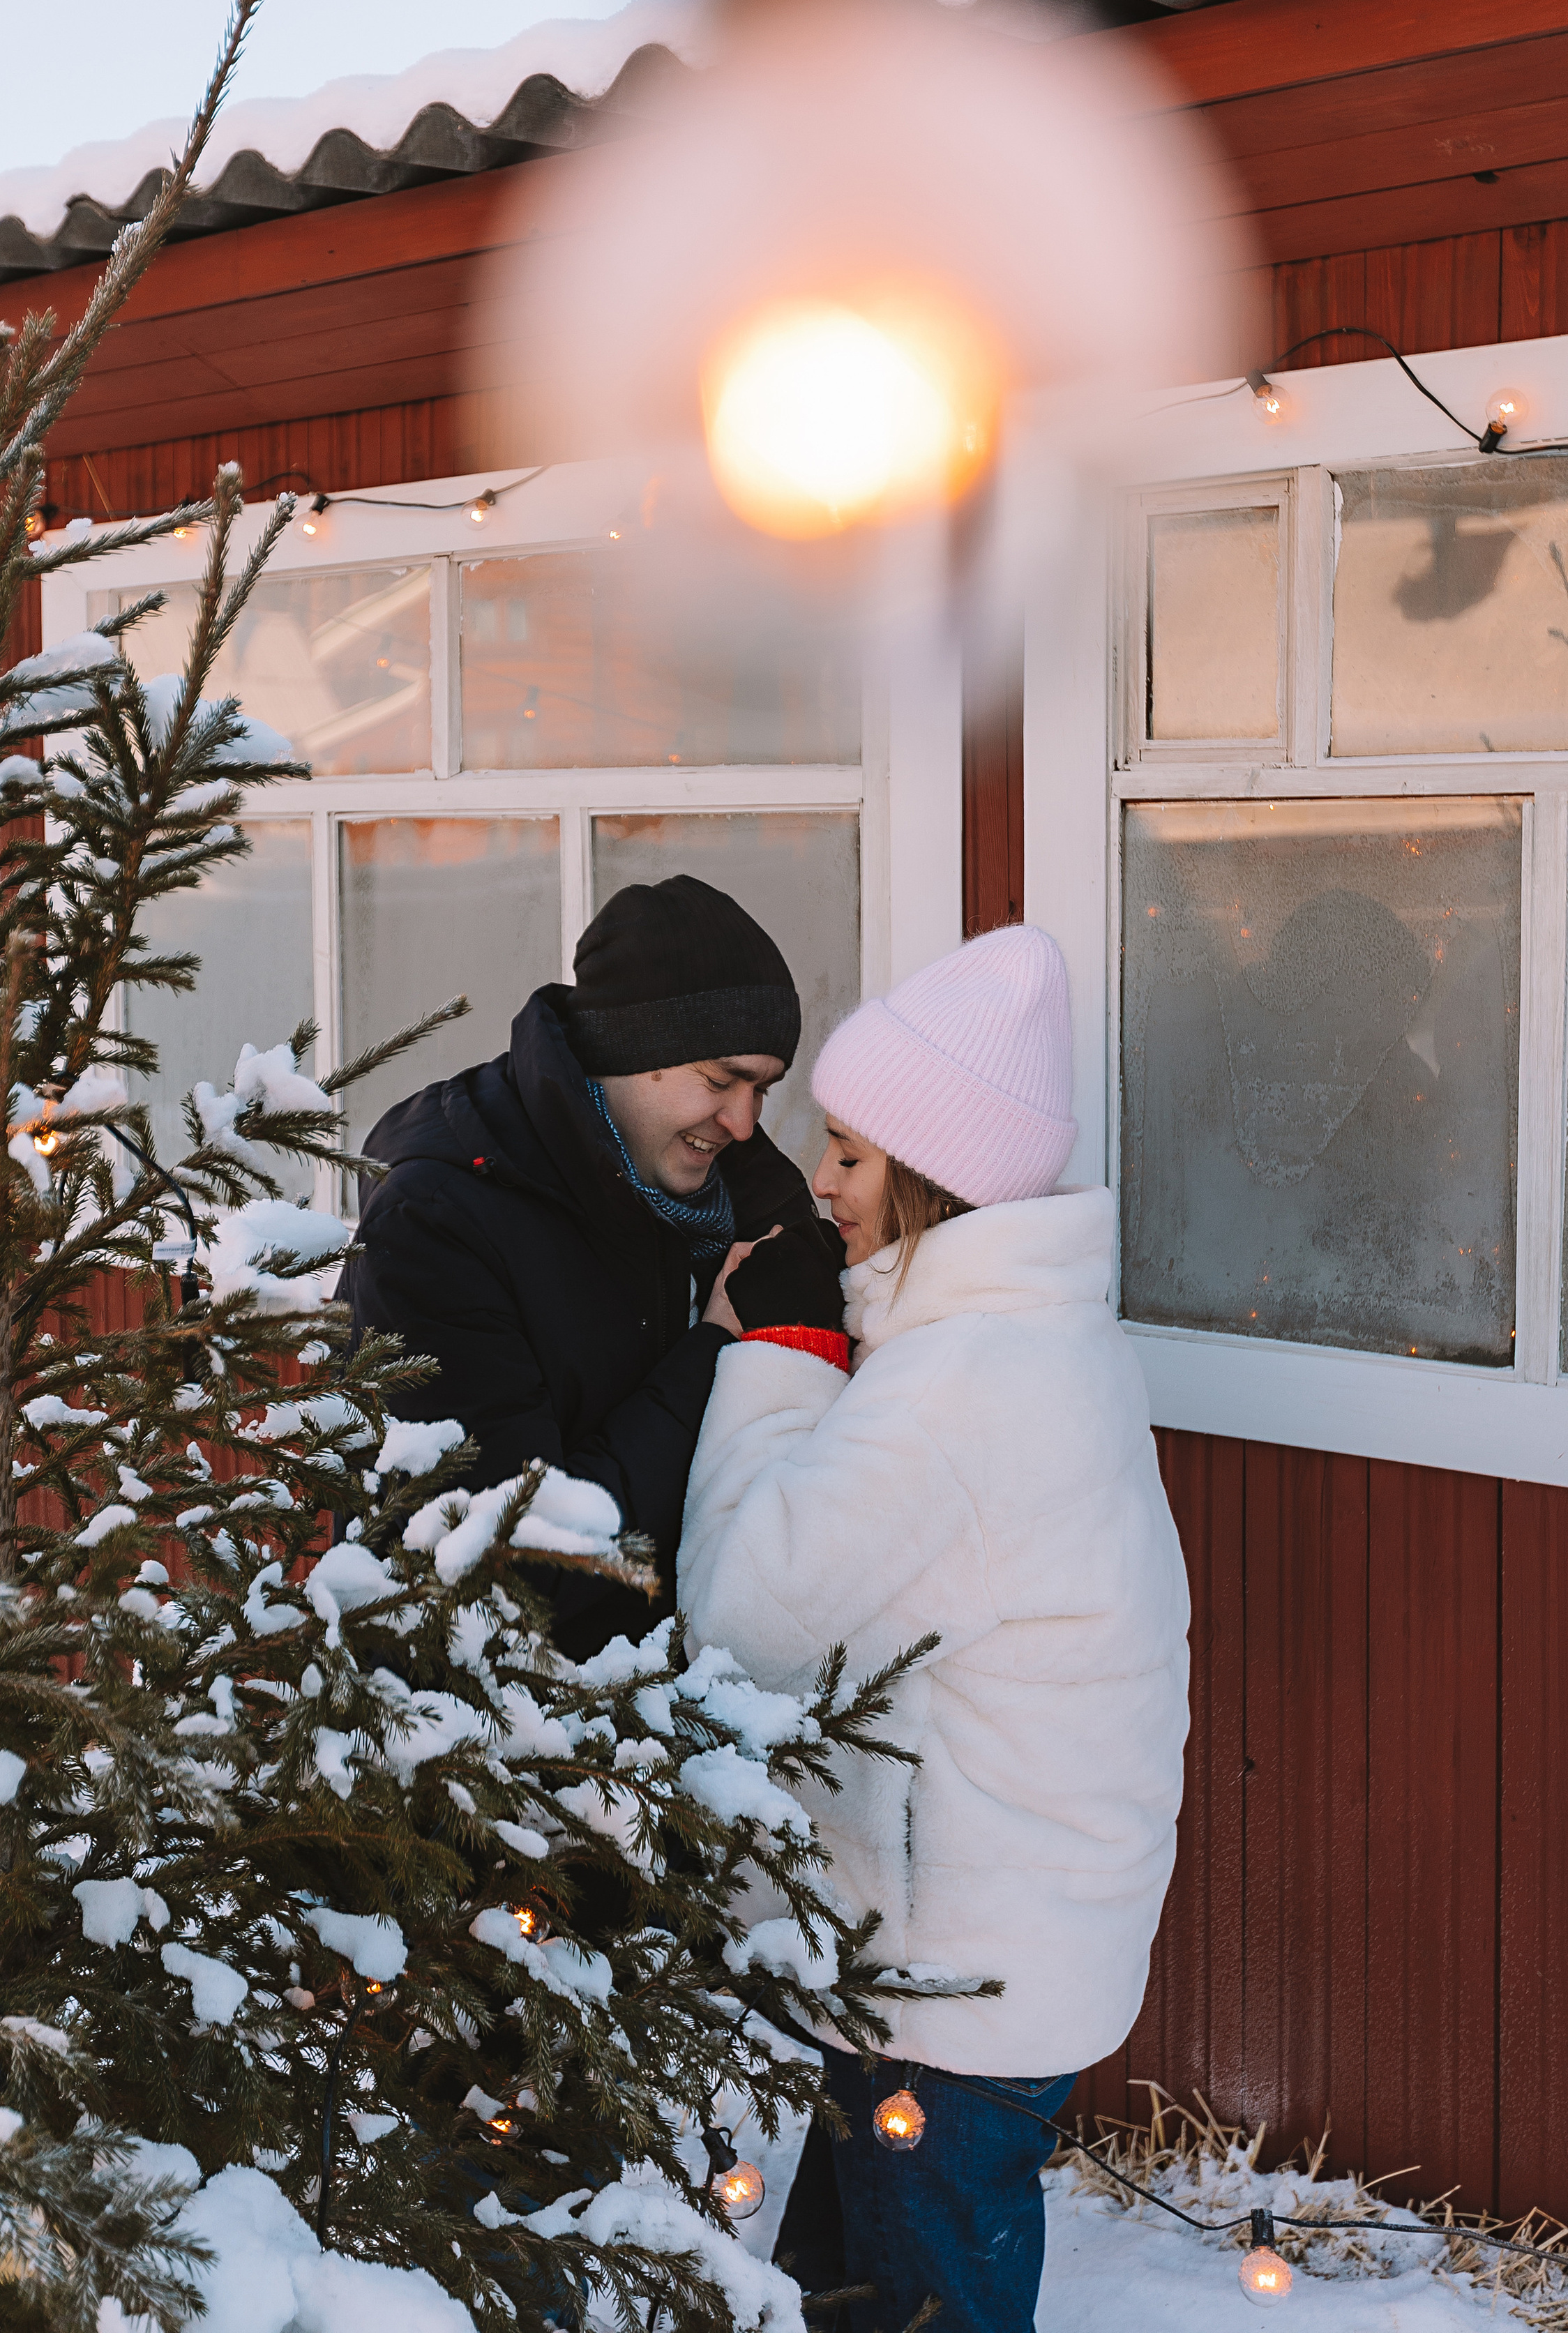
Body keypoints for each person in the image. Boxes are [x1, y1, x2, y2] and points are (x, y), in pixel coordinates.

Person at [677, 925, 1191, 2333]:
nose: (822, 1181)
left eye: (848, 1152)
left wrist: (776, 1360)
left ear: (929, 1172)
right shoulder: (1012, 1343)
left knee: (913, 2310)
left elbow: (746, 1610)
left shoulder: (966, 1381)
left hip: (951, 1978)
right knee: (850, 2297)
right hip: (970, 1948)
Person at [344, 873, 843, 1659]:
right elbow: (510, 1567)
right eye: (719, 1081)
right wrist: (715, 1349)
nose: (745, 1124)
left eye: (762, 1089)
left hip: (686, 1710)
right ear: (626, 1048)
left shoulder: (720, 1189)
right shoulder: (437, 1224)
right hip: (511, 1737)